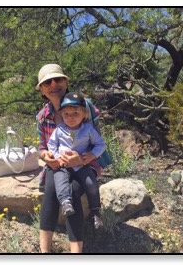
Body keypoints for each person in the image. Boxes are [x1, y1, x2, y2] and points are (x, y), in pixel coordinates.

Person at [36, 63, 103, 253]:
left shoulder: (87, 108)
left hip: (83, 165)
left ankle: (76, 252)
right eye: (47, 82)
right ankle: (44, 251)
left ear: (66, 82)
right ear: (42, 90)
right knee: (51, 190)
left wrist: (80, 160)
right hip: (58, 165)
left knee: (72, 193)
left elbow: (97, 142)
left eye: (58, 79)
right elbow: (43, 146)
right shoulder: (42, 116)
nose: (53, 84)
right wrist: (46, 156)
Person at [47, 92, 105, 229]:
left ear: (84, 114)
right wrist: (57, 157)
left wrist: (92, 154)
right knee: (60, 180)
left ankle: (95, 212)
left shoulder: (87, 129)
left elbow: (100, 144)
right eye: (66, 114)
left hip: (81, 164)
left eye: (75, 113)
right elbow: (51, 145)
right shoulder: (59, 129)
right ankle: (66, 202)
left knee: (91, 183)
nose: (70, 117)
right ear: (61, 115)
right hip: (64, 164)